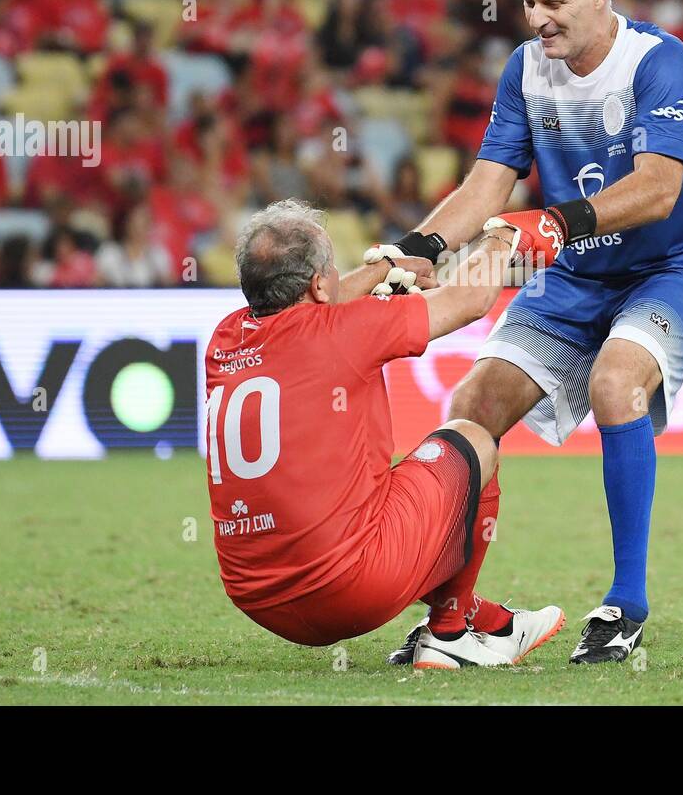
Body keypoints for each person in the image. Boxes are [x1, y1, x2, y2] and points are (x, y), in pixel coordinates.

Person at [364, 0, 683, 664]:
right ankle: (454, 616)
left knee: (615, 383)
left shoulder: (659, 63)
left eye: (553, 4)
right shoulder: (526, 68)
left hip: (677, 262)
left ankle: (626, 605)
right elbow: (488, 183)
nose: (537, 20)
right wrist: (420, 247)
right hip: (576, 268)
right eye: (528, 4)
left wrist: (553, 223)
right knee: (471, 406)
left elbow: (660, 189)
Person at [206, 199, 565, 669]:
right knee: (472, 436)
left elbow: (309, 310)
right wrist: (501, 241)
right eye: (334, 269)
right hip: (349, 593)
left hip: (255, 596)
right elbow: (467, 301)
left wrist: (382, 271)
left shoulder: (224, 337)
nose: (339, 277)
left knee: (359, 506)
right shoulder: (344, 329)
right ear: (318, 284)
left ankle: (489, 618)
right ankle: (450, 631)